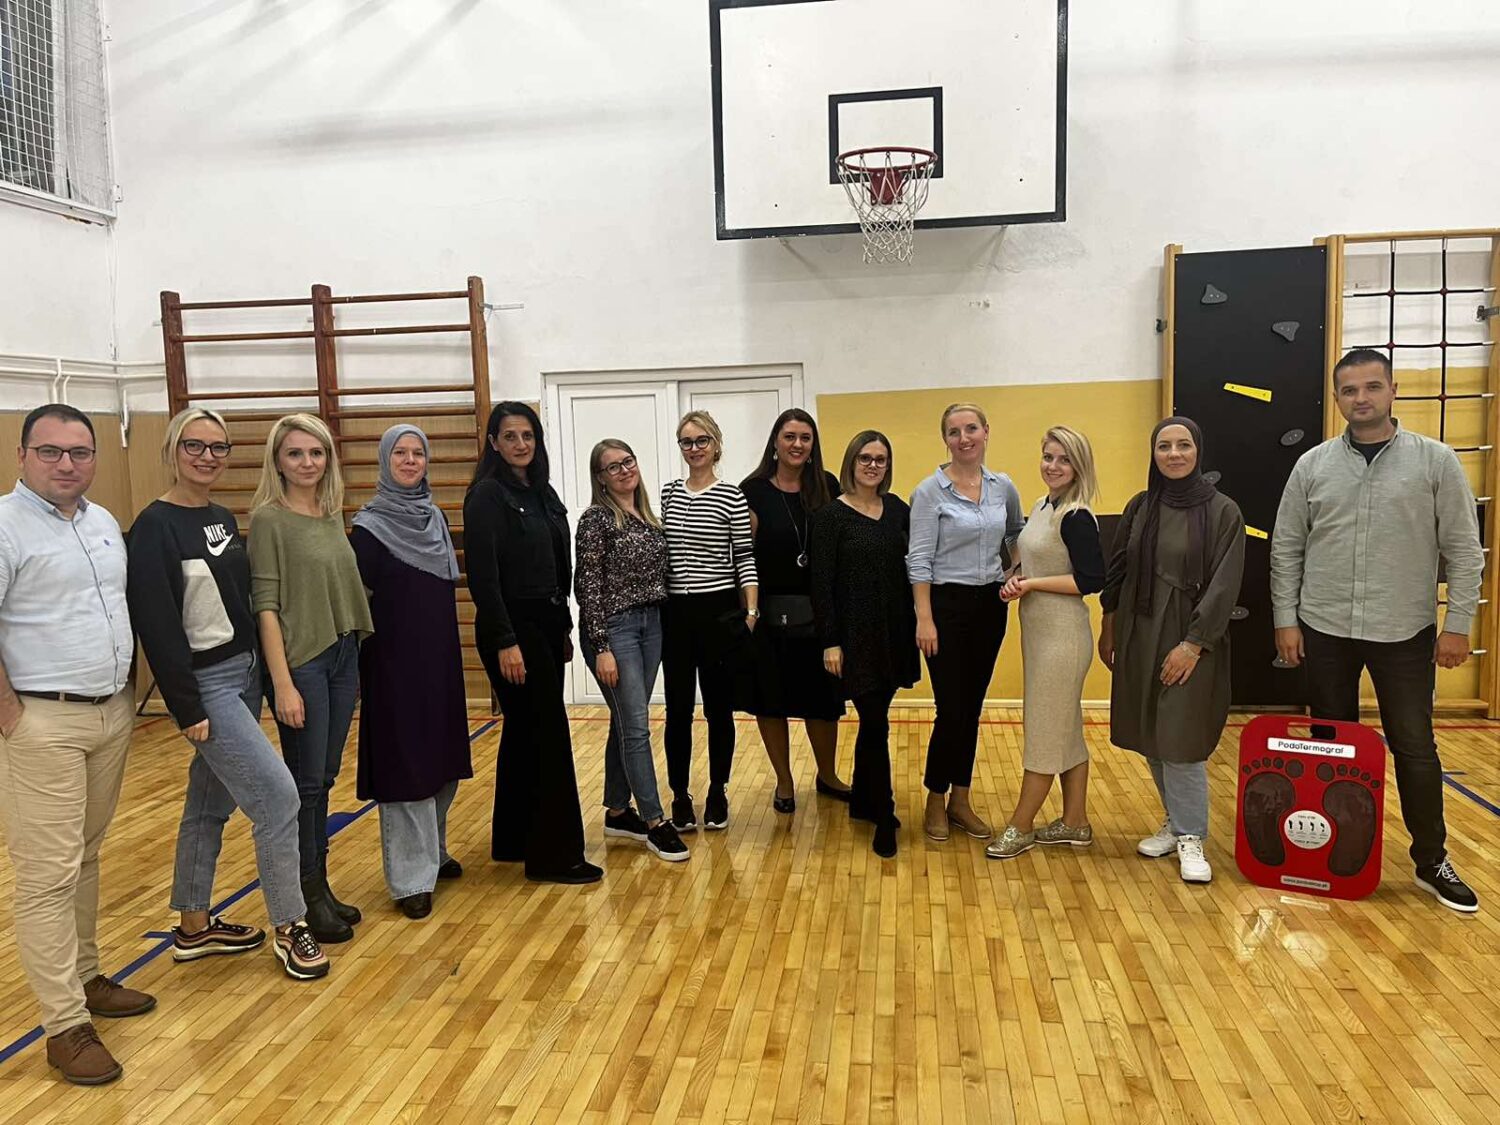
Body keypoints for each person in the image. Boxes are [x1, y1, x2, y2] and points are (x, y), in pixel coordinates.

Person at [1271, 348, 1484, 913]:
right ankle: (1335, 849)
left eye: (1371, 387)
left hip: (1404, 630)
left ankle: (1431, 860)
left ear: (1393, 391)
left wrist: (1458, 625)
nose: (1360, 398)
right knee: (1333, 745)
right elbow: (1286, 548)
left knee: (1415, 747)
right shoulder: (1312, 465)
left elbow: (1465, 550)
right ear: (1337, 398)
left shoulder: (1436, 462)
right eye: (1349, 390)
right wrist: (1286, 619)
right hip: (1325, 627)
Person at [128, 409, 329, 980]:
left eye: (218, 447)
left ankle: (194, 927)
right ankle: (290, 925)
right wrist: (185, 705)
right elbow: (157, 624)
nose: (207, 456)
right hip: (206, 687)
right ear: (172, 449)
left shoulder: (218, 516)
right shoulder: (154, 527)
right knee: (278, 797)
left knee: (208, 805)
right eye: (195, 445)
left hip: (244, 678)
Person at [0, 404, 151, 1086]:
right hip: (40, 722)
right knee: (46, 874)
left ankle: (87, 977)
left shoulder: (102, 524)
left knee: (85, 854)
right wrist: (12, 715)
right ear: (22, 455)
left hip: (109, 714)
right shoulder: (7, 526)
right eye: (51, 451)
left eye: (80, 452)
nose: (67, 464)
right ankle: (64, 1026)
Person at [1099, 417, 1244, 884]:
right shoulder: (1141, 506)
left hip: (1191, 635)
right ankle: (1175, 821)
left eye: (1184, 445)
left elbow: (1223, 585)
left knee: (1181, 738)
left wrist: (1193, 644)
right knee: (1151, 733)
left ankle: (1191, 836)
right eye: (1165, 446)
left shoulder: (1223, 512)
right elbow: (1118, 571)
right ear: (1154, 453)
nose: (1174, 454)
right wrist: (1109, 627)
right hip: (1140, 630)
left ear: (1198, 450)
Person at [464, 402, 601, 884]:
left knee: (525, 732)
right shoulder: (487, 496)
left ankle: (514, 839)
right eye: (510, 436)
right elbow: (483, 577)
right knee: (547, 736)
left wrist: (563, 628)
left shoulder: (542, 492)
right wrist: (505, 641)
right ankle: (553, 856)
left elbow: (556, 568)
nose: (521, 444)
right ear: (494, 443)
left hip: (545, 625)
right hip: (511, 628)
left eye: (528, 435)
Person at [249, 413, 373, 942]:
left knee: (323, 778)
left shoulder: (329, 513)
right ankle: (304, 897)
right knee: (304, 783)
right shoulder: (269, 520)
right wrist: (282, 683)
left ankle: (319, 885)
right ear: (278, 461)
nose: (307, 462)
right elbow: (266, 606)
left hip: (343, 654)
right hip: (303, 663)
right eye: (295, 453)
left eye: (316, 453)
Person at [351, 424, 474, 918]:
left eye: (417, 453)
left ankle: (433, 853)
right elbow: (358, 604)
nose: (409, 461)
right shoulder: (368, 528)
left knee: (442, 762)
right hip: (393, 667)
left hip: (439, 661)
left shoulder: (435, 517)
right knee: (405, 770)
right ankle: (409, 880)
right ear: (385, 461)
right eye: (399, 453)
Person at [907, 403, 1024, 843]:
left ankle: (960, 799)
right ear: (946, 440)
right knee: (950, 707)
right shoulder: (929, 492)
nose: (964, 438)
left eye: (971, 428)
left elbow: (1015, 533)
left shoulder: (1002, 486)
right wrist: (924, 618)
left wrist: (1014, 573)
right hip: (944, 606)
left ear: (986, 432)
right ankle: (935, 798)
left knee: (971, 707)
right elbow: (919, 558)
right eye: (954, 432)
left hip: (989, 607)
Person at [986, 426, 1105, 859]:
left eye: (1063, 459)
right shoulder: (1042, 505)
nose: (1053, 466)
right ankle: (1075, 822)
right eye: (1048, 456)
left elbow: (1091, 579)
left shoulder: (1076, 516)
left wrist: (1032, 584)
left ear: (1079, 466)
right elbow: (1033, 559)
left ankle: (1021, 826)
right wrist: (1015, 578)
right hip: (1040, 635)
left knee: (1043, 732)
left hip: (1063, 638)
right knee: (1066, 730)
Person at [574, 439, 689, 862]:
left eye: (628, 462)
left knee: (625, 720)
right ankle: (656, 822)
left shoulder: (648, 516)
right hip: (615, 630)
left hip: (652, 624)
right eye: (613, 467)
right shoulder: (596, 519)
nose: (624, 471)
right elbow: (587, 586)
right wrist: (601, 646)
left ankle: (618, 811)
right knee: (637, 726)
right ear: (601, 478)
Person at [810, 431, 919, 857]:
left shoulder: (898, 511)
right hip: (854, 637)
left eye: (880, 459)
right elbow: (821, 585)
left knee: (876, 719)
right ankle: (884, 814)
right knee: (875, 722)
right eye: (865, 458)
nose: (873, 465)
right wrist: (830, 642)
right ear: (851, 462)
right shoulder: (829, 517)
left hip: (894, 631)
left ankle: (861, 800)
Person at [740, 409, 850, 814]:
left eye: (805, 437)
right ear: (775, 441)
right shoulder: (751, 490)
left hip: (820, 615)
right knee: (771, 703)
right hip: (768, 617)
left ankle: (828, 775)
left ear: (813, 444)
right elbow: (741, 556)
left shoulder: (828, 486)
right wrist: (748, 612)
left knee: (822, 703)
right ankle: (784, 781)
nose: (797, 444)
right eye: (789, 436)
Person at [660, 410, 759, 833]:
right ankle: (680, 795)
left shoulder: (731, 496)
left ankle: (718, 790)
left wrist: (750, 613)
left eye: (702, 440)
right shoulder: (668, 493)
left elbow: (745, 559)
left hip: (718, 612)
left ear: (716, 445)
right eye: (687, 441)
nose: (694, 448)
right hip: (676, 614)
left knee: (719, 710)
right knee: (678, 710)